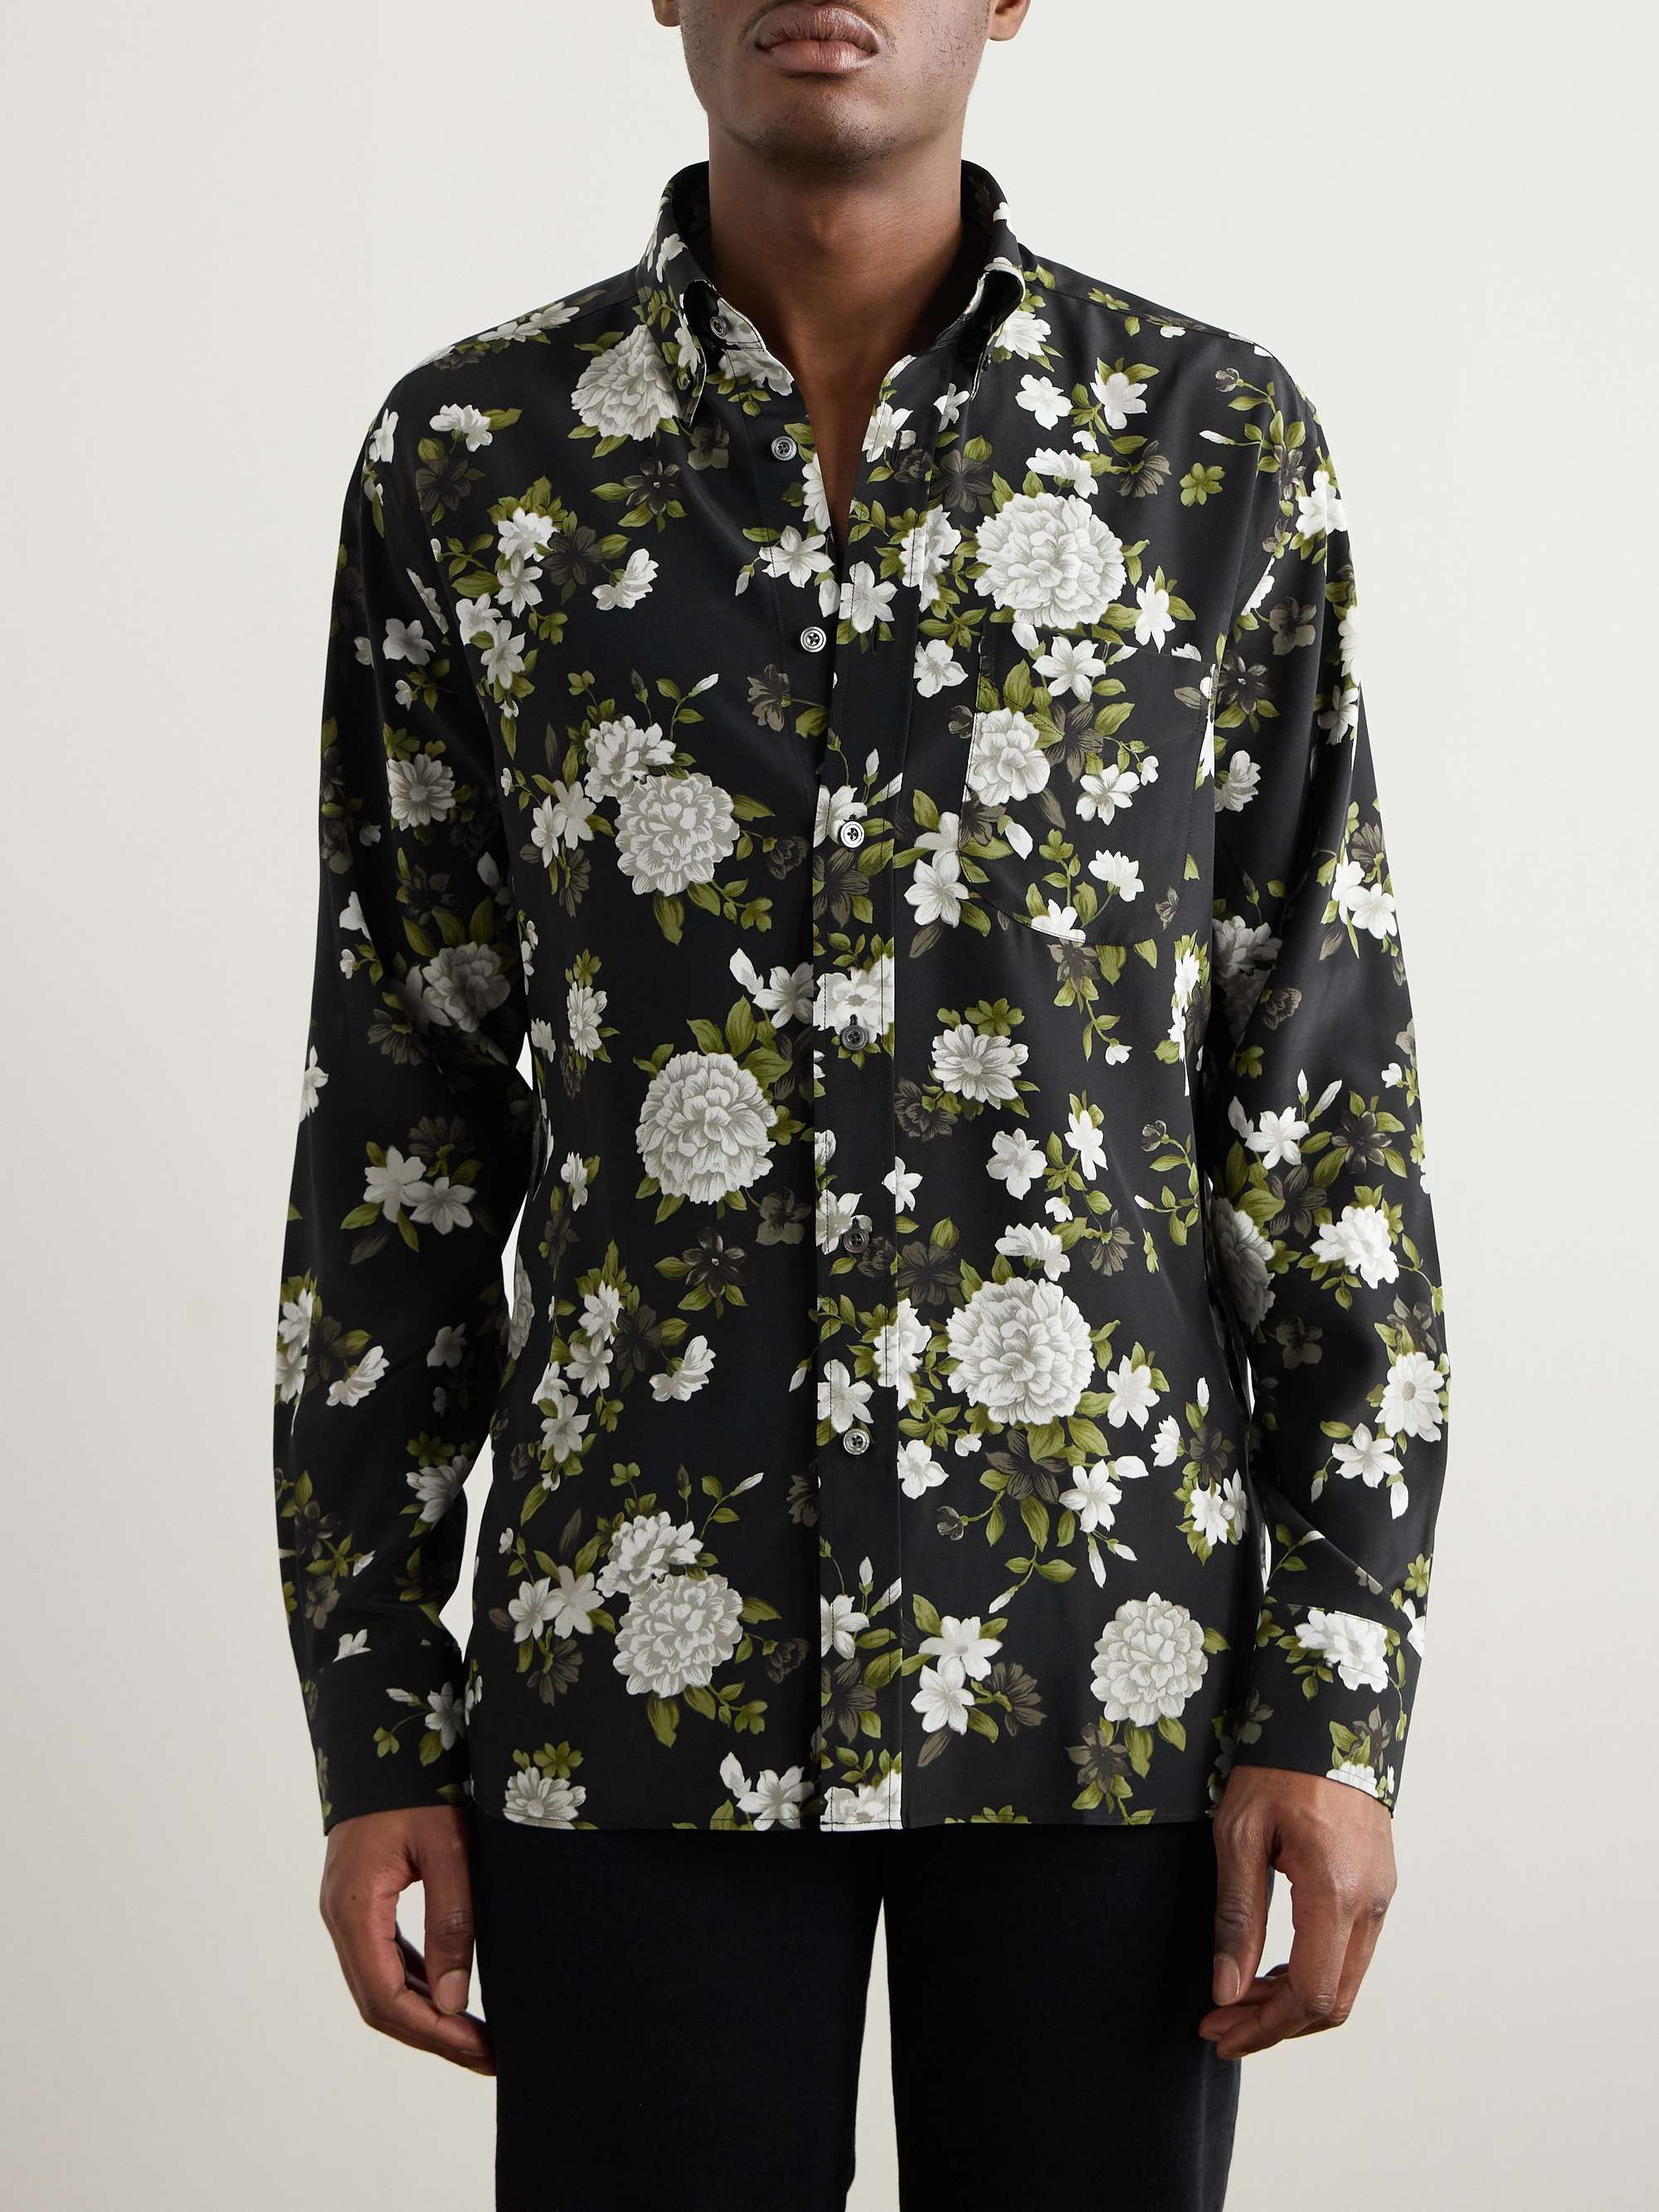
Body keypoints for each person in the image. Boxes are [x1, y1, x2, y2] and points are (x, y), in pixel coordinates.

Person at [270, 3, 1451, 2205]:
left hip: (1110, 1674)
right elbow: (403, 1124)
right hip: (626, 1673)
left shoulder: (1206, 444)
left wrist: (1335, 1696)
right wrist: (377, 1720)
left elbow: (1320, 1102)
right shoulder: (474, 459)